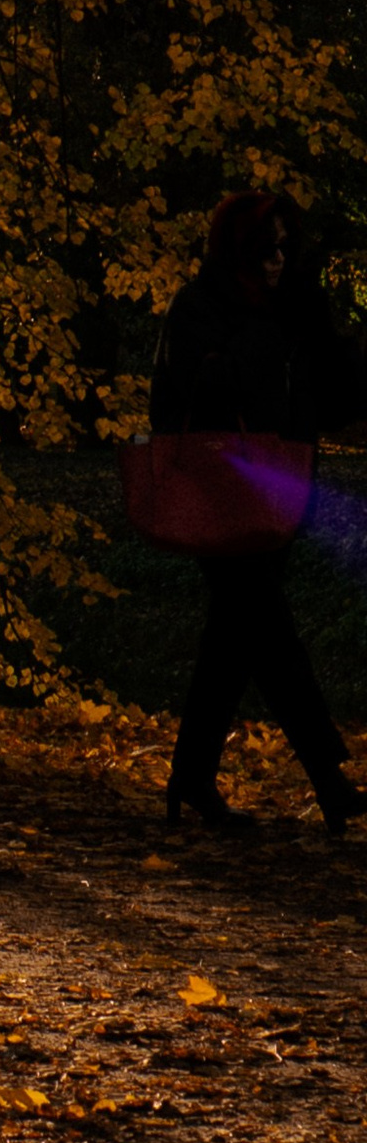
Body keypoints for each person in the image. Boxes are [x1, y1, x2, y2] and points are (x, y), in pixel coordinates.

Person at [151, 192, 366, 834]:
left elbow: (334, 399)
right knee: (265, 630)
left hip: (281, 489)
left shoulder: (290, 309)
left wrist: (320, 329)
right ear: (236, 250)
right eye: (264, 249)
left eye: (284, 248)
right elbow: (183, 401)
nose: (277, 261)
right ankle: (328, 776)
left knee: (235, 639)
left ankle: (190, 780)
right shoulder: (200, 308)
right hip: (219, 492)